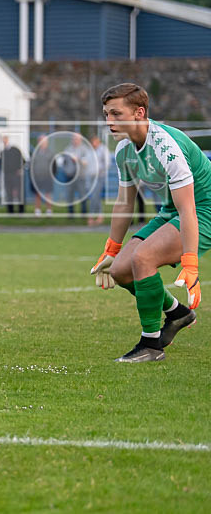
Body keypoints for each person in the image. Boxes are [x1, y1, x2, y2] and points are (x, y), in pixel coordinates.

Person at [90, 83, 208, 363]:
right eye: (106, 114)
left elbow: (189, 208)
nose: (109, 121)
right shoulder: (124, 151)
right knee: (120, 270)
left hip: (204, 209)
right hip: (173, 209)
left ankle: (151, 346)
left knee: (143, 258)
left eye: (116, 114)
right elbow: (124, 204)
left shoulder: (166, 146)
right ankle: (178, 313)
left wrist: (191, 264)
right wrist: (111, 249)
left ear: (139, 112)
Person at [61, 134, 92, 218]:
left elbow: (86, 162)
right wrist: (66, 171)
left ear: (80, 140)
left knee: (82, 195)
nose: (75, 140)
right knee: (69, 195)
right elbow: (63, 162)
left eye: (77, 139)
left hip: (80, 176)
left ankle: (84, 213)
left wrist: (77, 159)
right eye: (74, 139)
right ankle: (70, 214)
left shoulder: (85, 149)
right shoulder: (68, 149)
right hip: (70, 176)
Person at [0, 135, 25, 214]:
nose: (4, 141)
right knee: (9, 193)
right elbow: (1, 164)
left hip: (16, 175)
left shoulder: (15, 149)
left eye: (5, 139)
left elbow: (22, 160)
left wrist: (19, 169)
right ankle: (10, 211)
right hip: (7, 175)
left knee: (19, 193)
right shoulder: (2, 152)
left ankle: (21, 211)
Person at [31, 135, 55, 216]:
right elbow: (32, 165)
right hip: (37, 177)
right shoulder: (35, 152)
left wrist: (52, 175)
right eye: (41, 141)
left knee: (48, 194)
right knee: (38, 194)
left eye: (44, 141)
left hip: (47, 177)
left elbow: (54, 166)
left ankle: (49, 211)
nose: (43, 143)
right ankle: (37, 210)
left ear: (47, 143)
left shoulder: (51, 153)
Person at [88, 135, 110, 226]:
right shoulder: (91, 150)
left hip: (100, 176)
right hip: (91, 176)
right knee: (95, 196)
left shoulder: (103, 150)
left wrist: (100, 170)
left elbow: (107, 163)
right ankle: (98, 216)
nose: (93, 144)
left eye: (95, 141)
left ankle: (93, 216)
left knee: (95, 196)